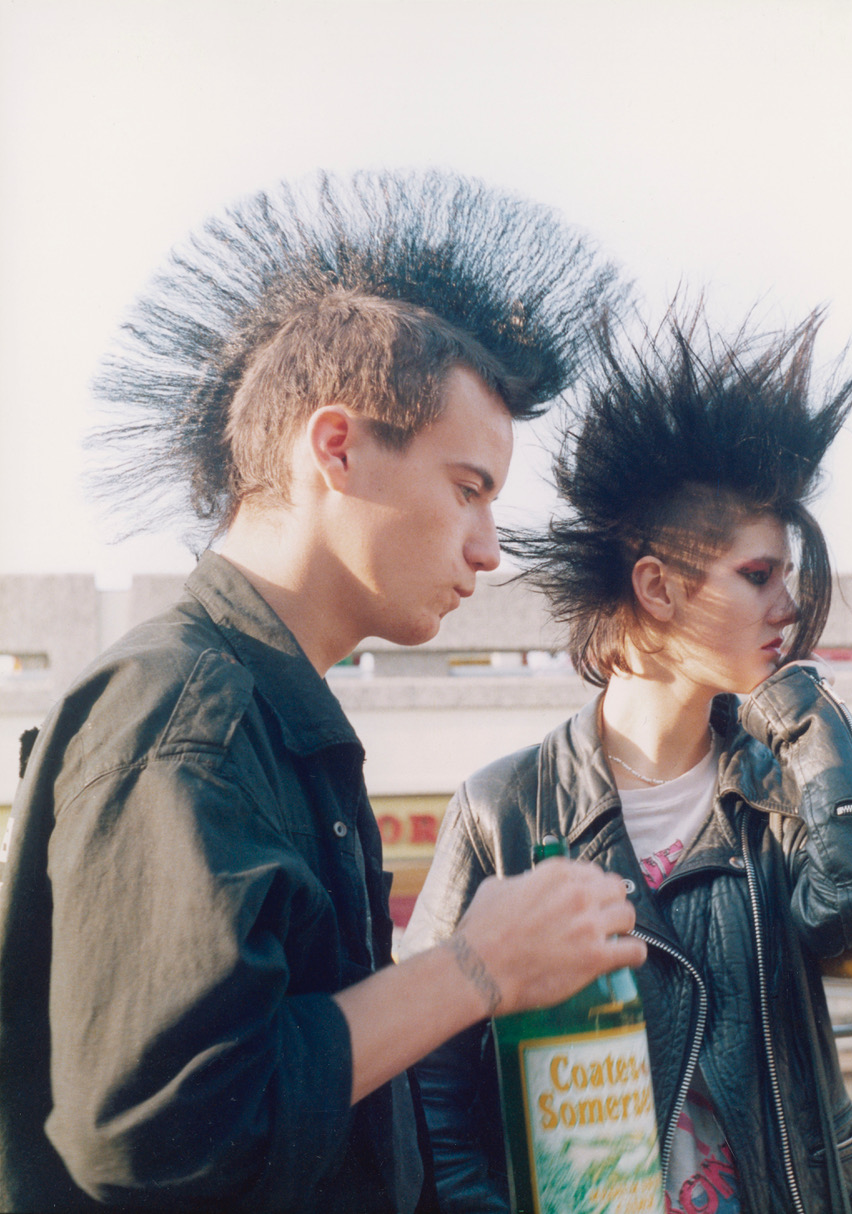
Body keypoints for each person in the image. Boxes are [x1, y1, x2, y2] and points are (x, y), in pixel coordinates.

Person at [0, 169, 647, 1213]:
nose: (488, 549)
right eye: (468, 488)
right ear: (336, 447)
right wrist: (475, 967)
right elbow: (157, 1127)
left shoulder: (265, 708)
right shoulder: (185, 718)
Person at [401, 307, 852, 1214]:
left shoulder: (776, 790)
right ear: (655, 586)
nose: (789, 607)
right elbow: (433, 1081)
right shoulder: (506, 810)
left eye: (790, 580)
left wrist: (804, 713)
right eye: (758, 576)